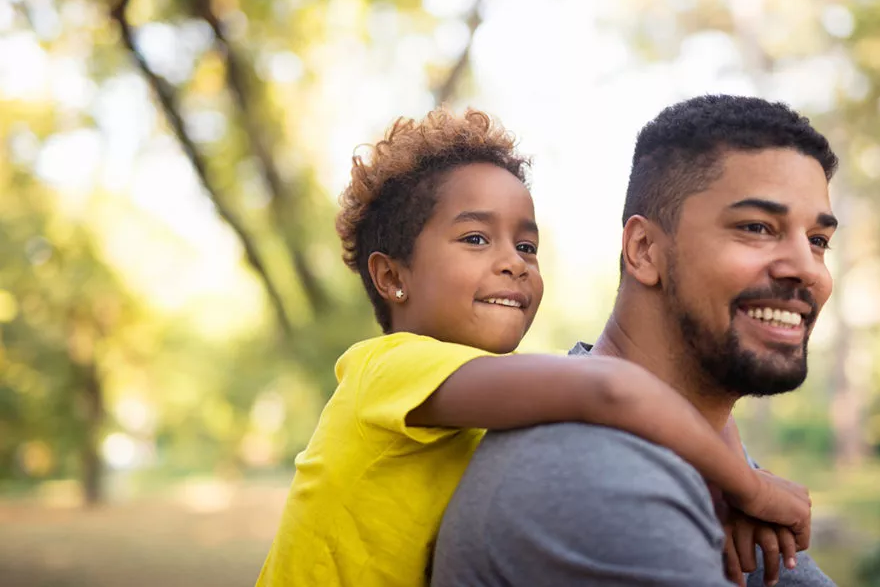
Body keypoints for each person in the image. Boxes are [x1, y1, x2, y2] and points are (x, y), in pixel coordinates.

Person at [254, 108, 812, 587]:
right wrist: (751, 488)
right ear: (391, 276)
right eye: (476, 238)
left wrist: (724, 482)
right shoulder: (389, 369)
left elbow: (680, 394)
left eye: (527, 244)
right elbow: (616, 390)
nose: (514, 262)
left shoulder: (483, 390)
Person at [432, 95, 841, 587]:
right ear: (645, 250)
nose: (805, 269)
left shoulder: (708, 458)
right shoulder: (594, 476)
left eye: (818, 240)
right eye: (756, 228)